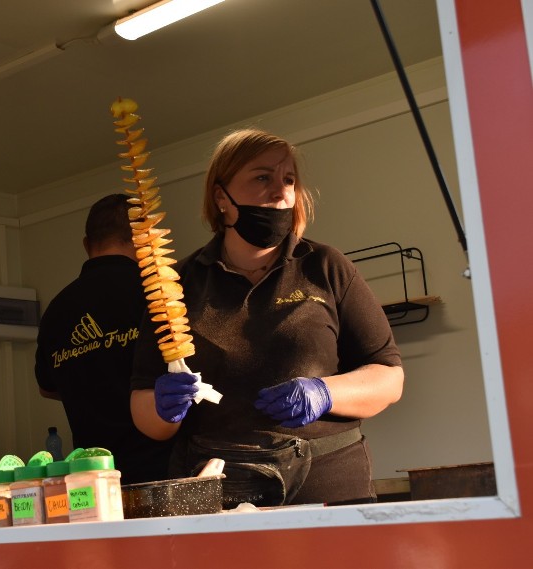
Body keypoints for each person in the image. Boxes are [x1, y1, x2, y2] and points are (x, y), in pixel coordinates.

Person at [129, 129, 404, 507]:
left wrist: (325, 393)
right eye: (263, 177)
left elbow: (389, 377)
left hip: (328, 482)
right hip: (219, 482)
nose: (280, 192)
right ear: (221, 197)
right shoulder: (174, 286)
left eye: (288, 180)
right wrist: (162, 407)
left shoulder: (326, 266)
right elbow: (145, 412)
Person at [35, 193, 173, 484]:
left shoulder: (57, 309)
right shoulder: (158, 295)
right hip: (162, 472)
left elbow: (46, 387)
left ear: (87, 244)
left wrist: (88, 377)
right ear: (145, 239)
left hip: (92, 477)